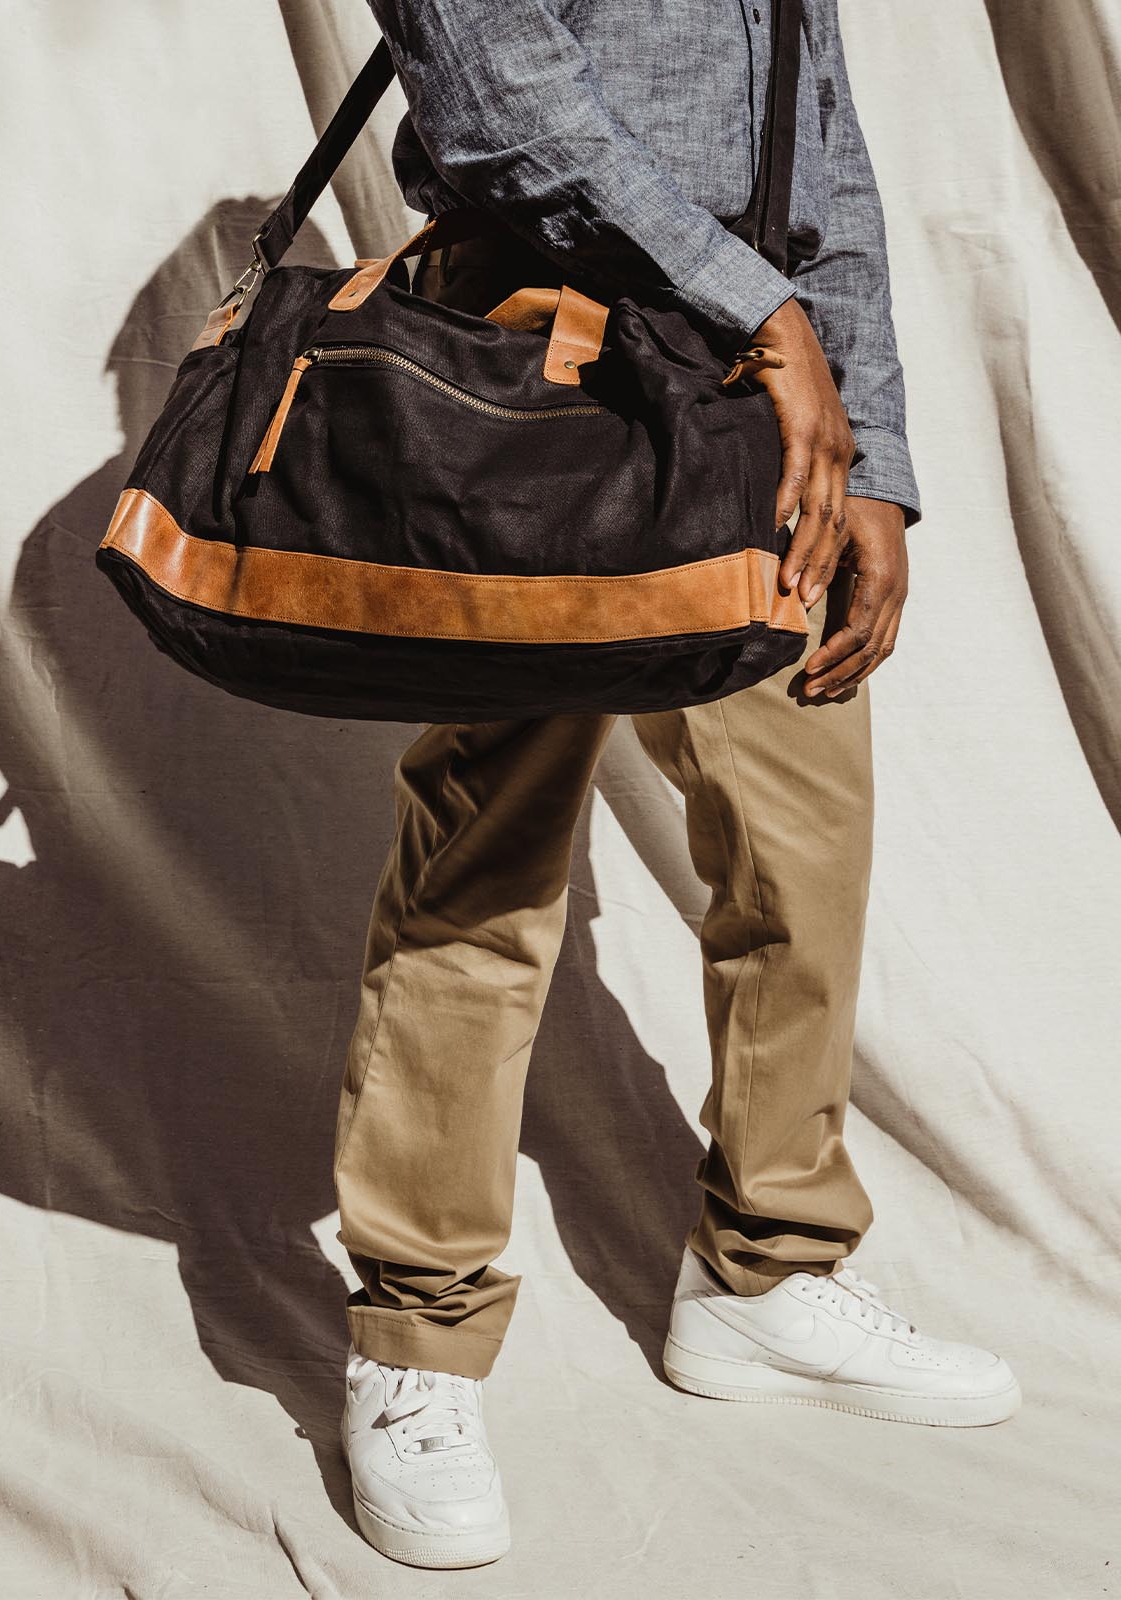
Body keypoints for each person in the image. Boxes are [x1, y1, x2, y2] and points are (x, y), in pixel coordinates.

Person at [335, 0, 1021, 1569]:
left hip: (765, 418)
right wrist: (763, 321)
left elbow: (821, 160)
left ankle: (766, 1275)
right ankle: (416, 1340)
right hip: (530, 373)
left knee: (803, 849)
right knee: (488, 870)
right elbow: (497, 95)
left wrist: (883, 460)